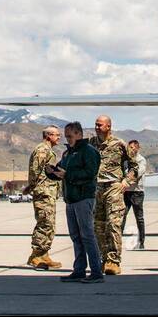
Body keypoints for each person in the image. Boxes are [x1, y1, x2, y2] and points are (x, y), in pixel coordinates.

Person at [53, 121, 102, 283]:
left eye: (70, 136)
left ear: (79, 134)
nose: (67, 139)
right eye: (66, 136)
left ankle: (96, 271)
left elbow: (90, 173)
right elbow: (61, 169)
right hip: (71, 198)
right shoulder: (68, 154)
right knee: (76, 236)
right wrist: (53, 172)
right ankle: (79, 269)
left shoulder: (88, 152)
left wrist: (67, 174)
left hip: (83, 197)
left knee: (87, 235)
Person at [91, 115, 138, 275]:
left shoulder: (119, 144)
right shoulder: (91, 144)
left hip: (114, 188)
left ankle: (113, 260)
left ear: (109, 126)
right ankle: (103, 259)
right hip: (97, 189)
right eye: (96, 125)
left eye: (100, 125)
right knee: (98, 225)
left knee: (113, 224)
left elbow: (134, 166)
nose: (97, 127)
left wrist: (126, 181)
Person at [26, 126, 63, 269]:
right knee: (44, 223)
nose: (59, 137)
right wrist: (33, 186)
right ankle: (36, 255)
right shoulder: (42, 150)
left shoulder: (48, 150)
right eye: (56, 135)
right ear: (48, 136)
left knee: (49, 224)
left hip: (49, 192)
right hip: (43, 192)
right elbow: (35, 171)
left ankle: (44, 254)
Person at [121, 138, 149, 250]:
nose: (131, 149)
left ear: (138, 148)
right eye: (129, 147)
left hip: (137, 192)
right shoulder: (126, 160)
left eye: (133, 147)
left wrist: (126, 180)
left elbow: (137, 173)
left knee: (139, 217)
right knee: (122, 216)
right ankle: (118, 240)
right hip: (126, 192)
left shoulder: (141, 160)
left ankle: (141, 241)